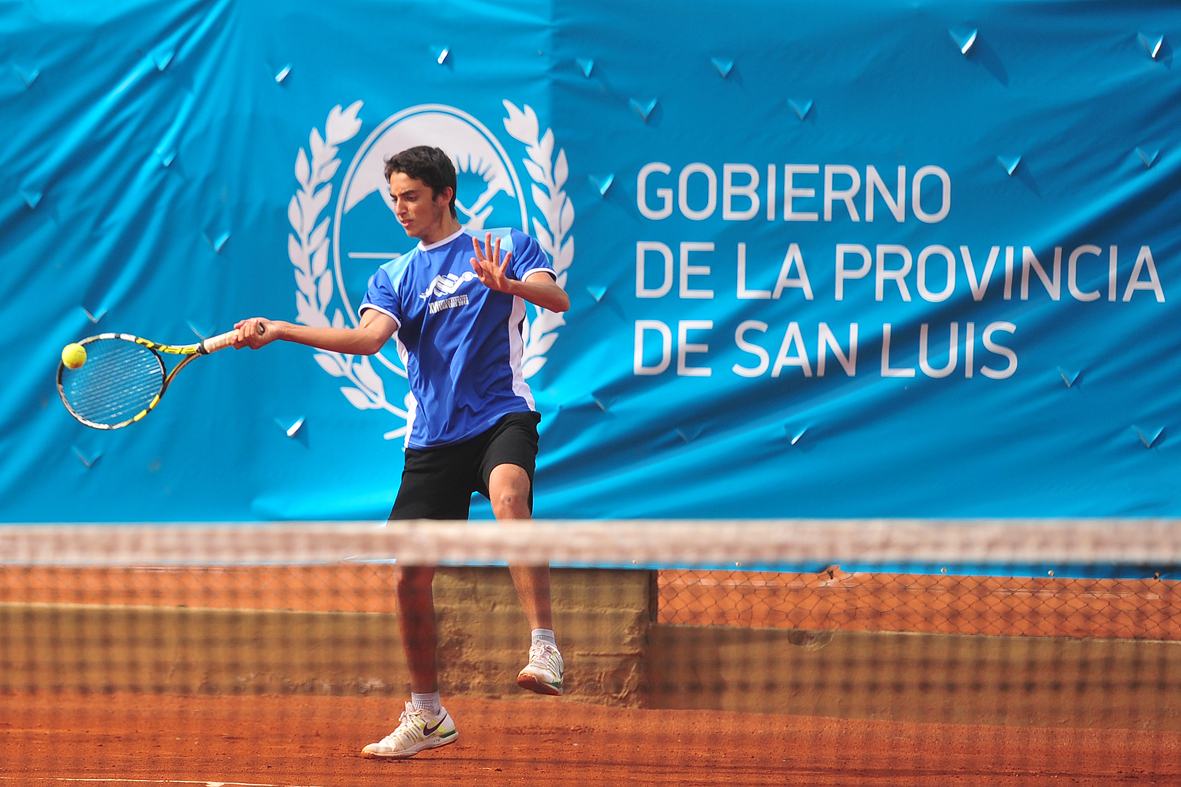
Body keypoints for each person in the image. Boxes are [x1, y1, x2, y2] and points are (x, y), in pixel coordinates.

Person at [233, 145, 570, 759]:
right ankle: (427, 714)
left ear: (445, 194)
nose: (399, 208)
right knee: (408, 575)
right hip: (433, 440)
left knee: (509, 495)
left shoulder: (506, 244)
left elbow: (557, 301)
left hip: (501, 415)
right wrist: (283, 329)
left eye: (410, 195)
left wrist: (509, 284)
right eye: (393, 197)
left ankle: (543, 645)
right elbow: (366, 340)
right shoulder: (394, 276)